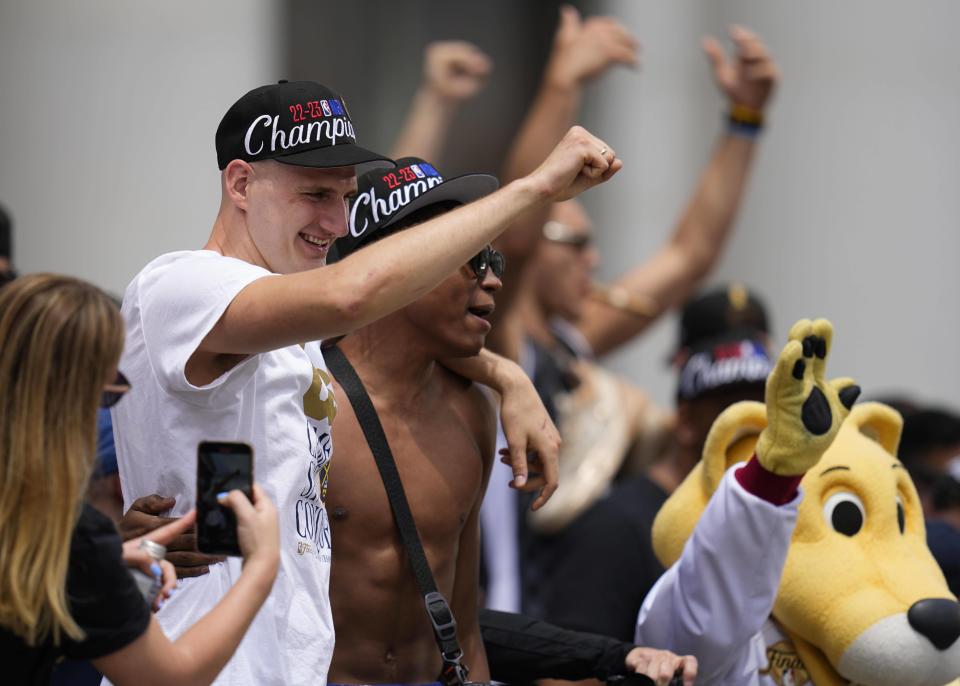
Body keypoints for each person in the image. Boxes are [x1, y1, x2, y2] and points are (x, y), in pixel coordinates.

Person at [111, 79, 620, 685]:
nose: (334, 221)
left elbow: (384, 343)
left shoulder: (292, 336)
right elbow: (353, 298)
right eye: (315, 194)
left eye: (347, 197)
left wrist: (507, 376)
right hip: (199, 664)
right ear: (242, 184)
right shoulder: (179, 285)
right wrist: (533, 190)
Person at [484, 20, 779, 616]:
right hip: (492, 627)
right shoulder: (497, 334)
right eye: (576, 245)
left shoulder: (570, 340)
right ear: (538, 247)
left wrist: (744, 119)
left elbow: (688, 256)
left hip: (548, 617)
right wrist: (562, 84)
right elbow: (514, 226)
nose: (595, 260)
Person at [0, 274, 280, 686]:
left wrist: (107, 560)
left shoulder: (68, 545)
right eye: (111, 389)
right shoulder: (75, 540)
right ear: (75, 399)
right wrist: (262, 566)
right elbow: (171, 678)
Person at [540, 285, 772, 643]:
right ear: (686, 420)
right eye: (731, 404)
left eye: (765, 405)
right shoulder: (615, 528)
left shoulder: (772, 517)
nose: (753, 419)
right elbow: (564, 676)